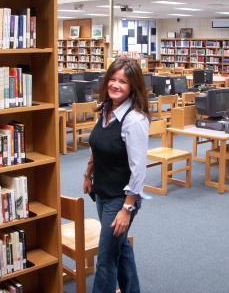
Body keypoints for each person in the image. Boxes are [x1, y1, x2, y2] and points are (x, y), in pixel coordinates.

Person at [83, 58, 151, 293]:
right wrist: (88, 173)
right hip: (102, 192)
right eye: (112, 79)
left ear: (133, 86)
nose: (116, 85)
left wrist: (127, 208)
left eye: (123, 81)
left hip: (120, 200)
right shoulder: (106, 109)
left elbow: (138, 169)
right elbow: (97, 144)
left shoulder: (134, 119)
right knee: (119, 248)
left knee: (105, 259)